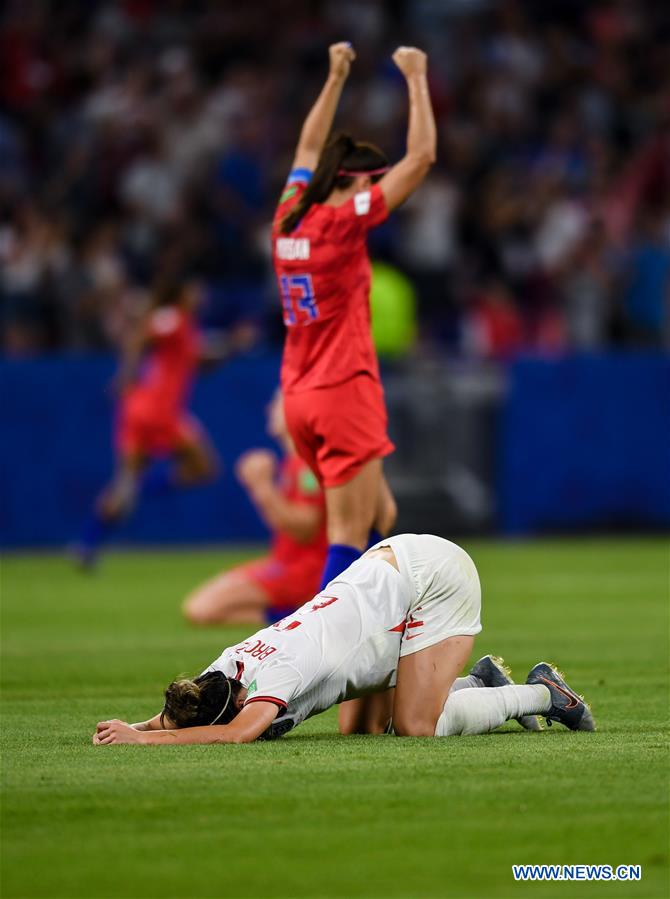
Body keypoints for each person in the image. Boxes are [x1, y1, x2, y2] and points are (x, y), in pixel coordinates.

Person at [273, 42, 436, 733]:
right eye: (371, 178)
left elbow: (308, 144)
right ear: (355, 182)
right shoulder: (342, 223)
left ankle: (370, 689)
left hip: (300, 396)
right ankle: (299, 679)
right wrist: (416, 77)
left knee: (380, 520)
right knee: (346, 539)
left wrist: (335, 74)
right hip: (344, 390)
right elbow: (421, 159)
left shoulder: (288, 217)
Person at [92, 534, 595, 745]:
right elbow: (188, 710)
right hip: (386, 571)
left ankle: (543, 694)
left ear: (238, 703)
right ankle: (478, 683)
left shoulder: (279, 674)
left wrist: (144, 740)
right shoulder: (224, 669)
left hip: (433, 579)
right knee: (363, 728)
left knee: (415, 727)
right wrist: (136, 726)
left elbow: (236, 734)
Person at [75, 276, 217, 567]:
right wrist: (126, 375)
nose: (199, 294)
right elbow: (140, 337)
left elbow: (194, 361)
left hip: (138, 410)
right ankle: (139, 489)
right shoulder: (173, 317)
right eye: (193, 289)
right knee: (204, 467)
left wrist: (230, 346)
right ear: (180, 293)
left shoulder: (185, 326)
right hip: (158, 410)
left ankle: (87, 543)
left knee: (124, 482)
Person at [183, 392, 327, 626]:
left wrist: (262, 487)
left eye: (278, 403)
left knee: (202, 609)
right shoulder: (295, 462)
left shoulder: (307, 465)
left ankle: (302, 615)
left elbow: (305, 528)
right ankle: (298, 614)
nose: (270, 408)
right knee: (201, 607)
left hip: (304, 571)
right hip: (285, 563)